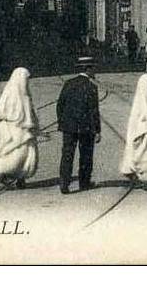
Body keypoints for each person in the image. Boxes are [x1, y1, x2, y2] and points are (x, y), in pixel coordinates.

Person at [56, 57, 101, 194]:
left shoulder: (68, 83)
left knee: (67, 154)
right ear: (88, 69)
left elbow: (60, 105)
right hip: (86, 127)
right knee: (86, 155)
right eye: (93, 68)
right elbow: (94, 111)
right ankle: (84, 182)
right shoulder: (92, 86)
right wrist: (97, 130)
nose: (95, 71)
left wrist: (62, 122)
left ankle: (64, 183)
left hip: (68, 126)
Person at [0, 67, 39, 189]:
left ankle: (20, 177)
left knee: (24, 155)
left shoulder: (24, 96)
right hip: (12, 133)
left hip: (23, 132)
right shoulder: (11, 95)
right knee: (16, 155)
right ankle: (7, 174)